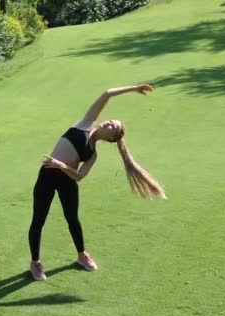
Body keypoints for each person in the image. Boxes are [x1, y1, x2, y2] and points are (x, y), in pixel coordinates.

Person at [28, 84, 166, 281]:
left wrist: (61, 165)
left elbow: (79, 176)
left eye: (113, 126)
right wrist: (134, 88)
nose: (109, 122)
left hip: (66, 179)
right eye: (111, 121)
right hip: (47, 176)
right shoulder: (85, 122)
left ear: (110, 137)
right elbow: (107, 94)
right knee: (38, 220)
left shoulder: (92, 154)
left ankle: (82, 255)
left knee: (72, 219)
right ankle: (35, 262)